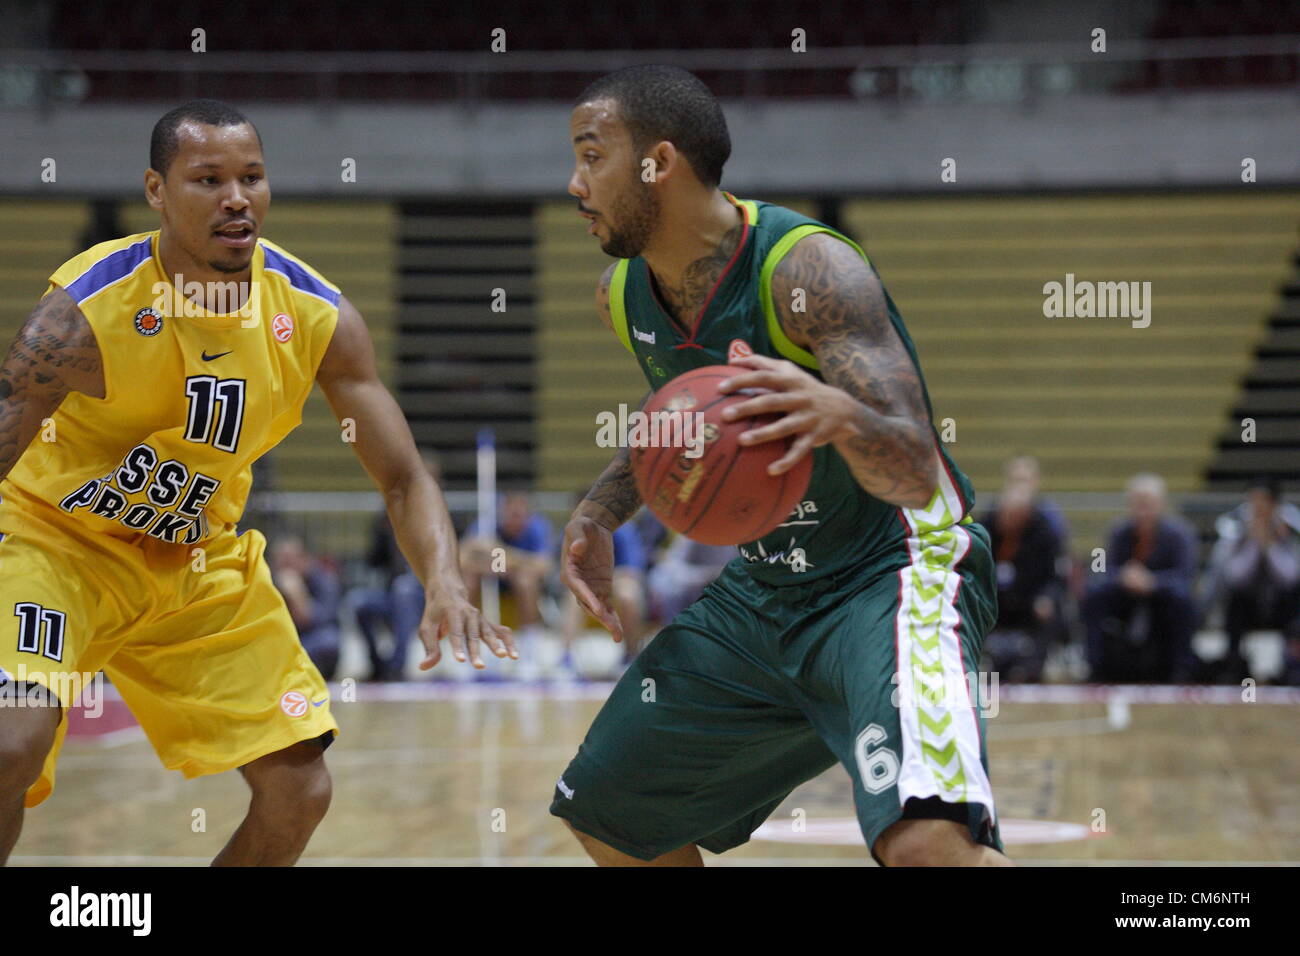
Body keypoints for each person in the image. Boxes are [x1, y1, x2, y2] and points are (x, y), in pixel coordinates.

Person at [0, 100, 512, 866]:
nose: (236, 198)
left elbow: (405, 476)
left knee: (300, 792)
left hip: (197, 564)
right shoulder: (86, 312)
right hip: (58, 547)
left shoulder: (317, 319)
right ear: (157, 191)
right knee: (11, 742)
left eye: (252, 178)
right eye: (208, 179)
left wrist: (443, 581)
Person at [552, 67, 1009, 867]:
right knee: (610, 814)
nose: (574, 183)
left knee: (929, 844)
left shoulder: (808, 272)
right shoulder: (620, 297)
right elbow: (681, 425)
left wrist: (839, 413)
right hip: (764, 594)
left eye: (593, 157)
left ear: (661, 163)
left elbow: (912, 466)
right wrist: (600, 513)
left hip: (893, 570)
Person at [1083, 473, 1198, 683]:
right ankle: (1095, 667)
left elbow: (1185, 575)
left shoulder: (1179, 533)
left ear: (1161, 504)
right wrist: (1123, 576)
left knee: (1183, 599)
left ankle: (1183, 669)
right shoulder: (1119, 531)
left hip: (1164, 596)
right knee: (1094, 594)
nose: (1143, 509)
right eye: (1138, 503)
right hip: (1125, 594)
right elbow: (1101, 570)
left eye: (1149, 503)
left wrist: (1152, 581)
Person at [351, 449, 443, 681]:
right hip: (392, 593)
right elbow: (373, 560)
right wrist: (382, 530)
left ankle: (397, 666)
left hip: (427, 596)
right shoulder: (387, 515)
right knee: (358, 602)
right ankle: (378, 665)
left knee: (404, 589)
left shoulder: (444, 517)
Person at [1201, 478, 1300, 682]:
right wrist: (1254, 543)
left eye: (1263, 503)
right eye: (1253, 502)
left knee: (1293, 598)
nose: (1257, 509)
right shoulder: (1237, 527)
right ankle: (1233, 664)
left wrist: (1270, 545)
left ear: (1274, 504)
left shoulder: (1290, 527)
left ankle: (1291, 665)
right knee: (1236, 599)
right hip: (1247, 604)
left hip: (1281, 604)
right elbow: (1234, 577)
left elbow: (1290, 576)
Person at [980, 481, 1063, 683]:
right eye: (1006, 514)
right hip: (991, 599)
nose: (1010, 521)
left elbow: (1055, 575)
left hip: (1029, 599)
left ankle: (1031, 669)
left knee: (1051, 611)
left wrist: (1046, 597)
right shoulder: (984, 529)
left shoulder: (1044, 533)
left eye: (1016, 516)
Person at [270, 536, 343, 681]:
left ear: (305, 559)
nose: (286, 565)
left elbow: (313, 620)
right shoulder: (267, 580)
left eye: (290, 559)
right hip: (279, 641)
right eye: (281, 559)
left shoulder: (324, 580)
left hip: (309, 639)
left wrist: (296, 593)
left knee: (328, 640)